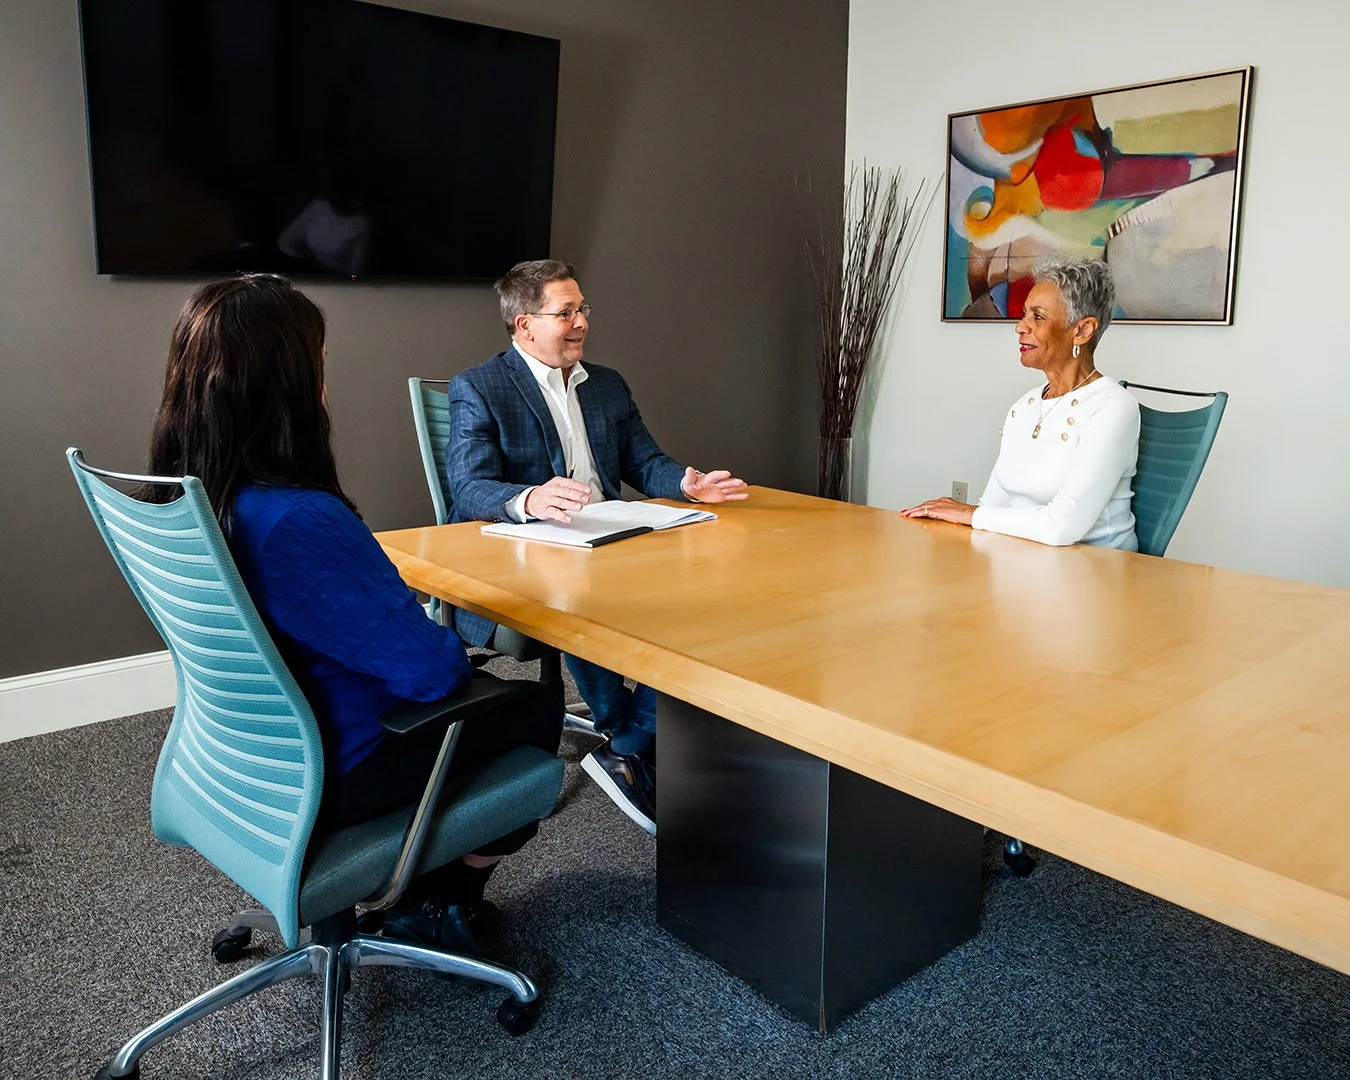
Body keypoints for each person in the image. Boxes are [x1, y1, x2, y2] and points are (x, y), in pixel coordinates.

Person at [136, 273, 562, 954]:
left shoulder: (199, 502)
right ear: (286, 385)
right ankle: (439, 903)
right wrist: (424, 630)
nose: (325, 384)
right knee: (533, 709)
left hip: (240, 766)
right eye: (319, 365)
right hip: (341, 770)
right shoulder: (300, 519)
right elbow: (430, 673)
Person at [446, 258, 748, 834]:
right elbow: (468, 484)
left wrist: (686, 483)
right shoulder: (479, 387)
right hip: (526, 553)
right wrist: (532, 497)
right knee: (585, 597)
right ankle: (629, 735)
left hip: (612, 537)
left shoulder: (606, 383)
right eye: (566, 312)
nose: (582, 322)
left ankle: (628, 743)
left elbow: (645, 461)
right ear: (524, 326)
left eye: (583, 308)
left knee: (714, 599)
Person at [902, 255, 1140, 549]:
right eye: (1024, 313)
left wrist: (968, 513)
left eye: (1037, 317)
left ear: (1082, 331)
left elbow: (1061, 528)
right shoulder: (1024, 407)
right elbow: (992, 506)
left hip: (1098, 571)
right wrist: (962, 519)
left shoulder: (1114, 407)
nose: (1020, 327)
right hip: (1026, 561)